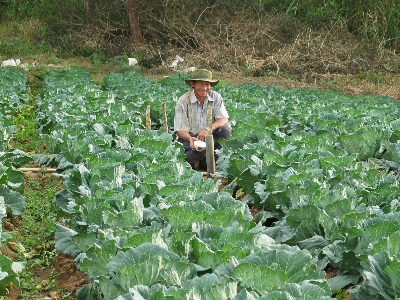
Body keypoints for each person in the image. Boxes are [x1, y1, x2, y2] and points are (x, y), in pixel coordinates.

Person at [174, 69, 232, 170]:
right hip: (190, 139)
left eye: (207, 84)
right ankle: (199, 159)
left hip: (210, 137)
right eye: (201, 84)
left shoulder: (216, 97)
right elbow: (179, 129)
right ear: (193, 84)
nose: (204, 88)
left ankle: (211, 159)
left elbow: (223, 119)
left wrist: (208, 129)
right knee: (189, 162)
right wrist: (190, 139)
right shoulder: (183, 101)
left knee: (225, 130)